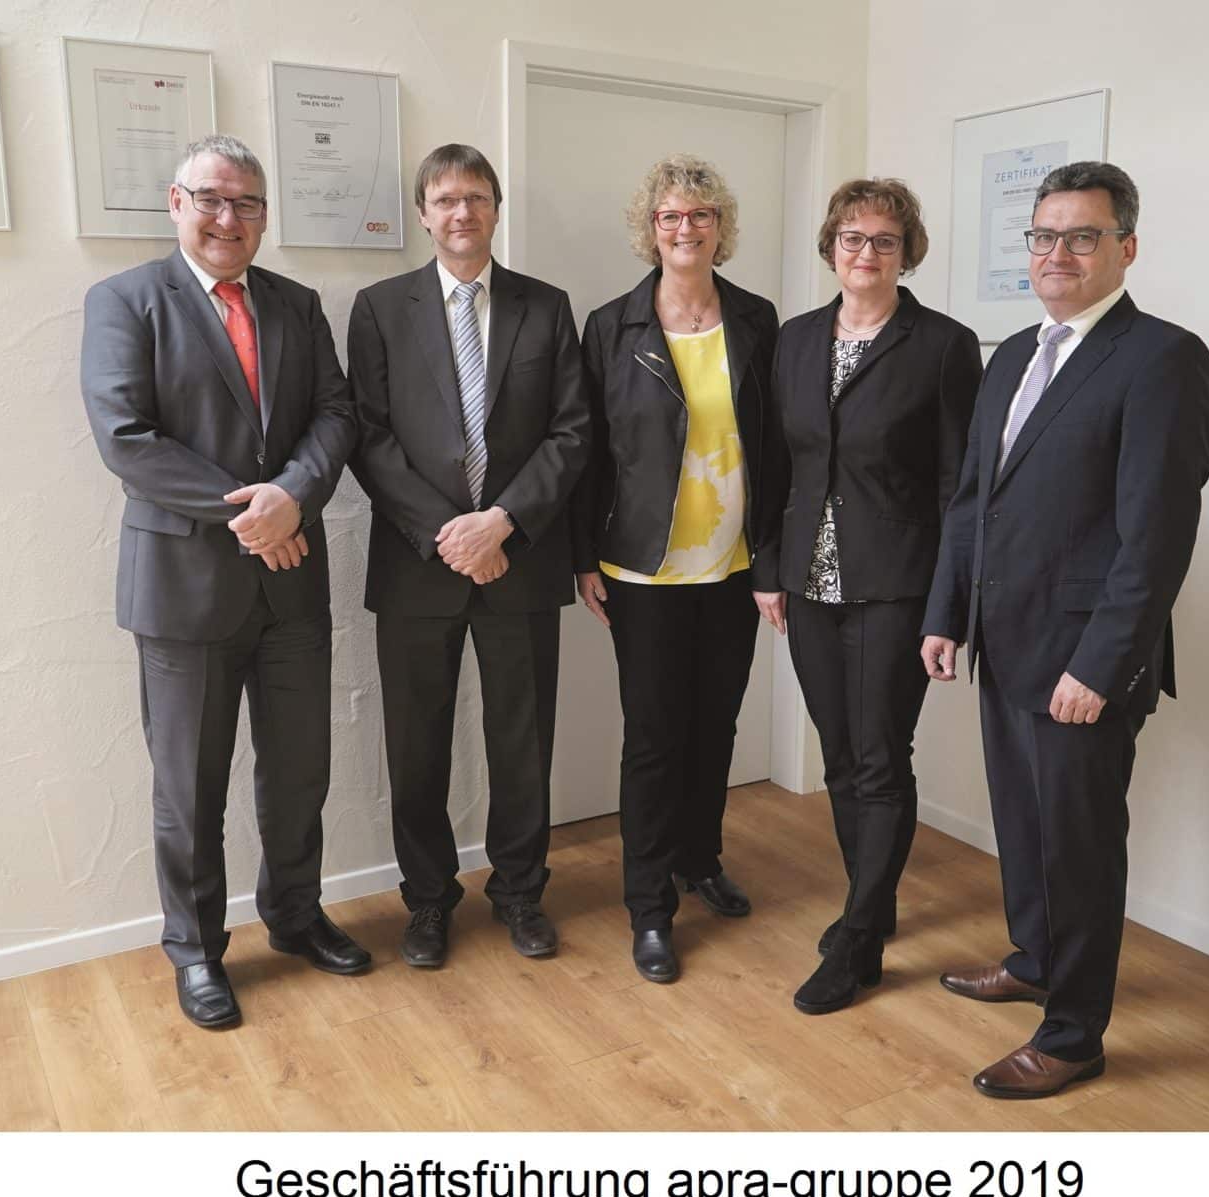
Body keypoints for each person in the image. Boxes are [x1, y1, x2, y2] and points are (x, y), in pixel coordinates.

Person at [923, 161, 1209, 1099]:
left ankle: (1074, 1033)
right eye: (1044, 236)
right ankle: (1036, 960)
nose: (1058, 254)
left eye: (1082, 237)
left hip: (1084, 657)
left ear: (1125, 247)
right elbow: (973, 498)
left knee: (1079, 848)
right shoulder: (1012, 352)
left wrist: (1101, 663)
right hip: (1003, 638)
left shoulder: (1161, 357)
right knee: (1023, 824)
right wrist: (947, 613)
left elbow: (1155, 537)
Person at [81, 134, 367, 1030]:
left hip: (292, 587)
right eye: (211, 198)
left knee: (299, 772)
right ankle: (197, 950)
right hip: (185, 590)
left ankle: (295, 915)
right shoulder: (126, 301)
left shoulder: (296, 304)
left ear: (264, 216)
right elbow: (126, 438)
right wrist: (256, 515)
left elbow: (335, 413)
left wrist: (293, 495)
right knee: (189, 787)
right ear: (177, 203)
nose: (227, 218)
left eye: (246, 203)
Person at [346, 144, 590, 969]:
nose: (462, 212)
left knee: (522, 742)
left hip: (519, 560)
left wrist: (502, 524)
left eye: (476, 197)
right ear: (422, 212)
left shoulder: (545, 307)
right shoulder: (380, 309)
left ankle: (520, 892)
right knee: (416, 745)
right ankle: (427, 900)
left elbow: (571, 431)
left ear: (494, 209)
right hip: (418, 565)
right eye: (446, 199)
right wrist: (451, 534)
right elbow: (369, 438)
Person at [759, 178, 981, 1014]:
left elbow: (960, 486)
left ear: (906, 253)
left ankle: (858, 942)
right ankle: (871, 903)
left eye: (884, 240)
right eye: (852, 238)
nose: (866, 253)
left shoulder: (942, 345)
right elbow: (776, 464)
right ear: (831, 247)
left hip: (898, 584)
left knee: (881, 755)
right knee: (840, 755)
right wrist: (768, 570)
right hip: (809, 582)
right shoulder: (795, 339)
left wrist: (948, 607)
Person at [572, 155, 781, 984]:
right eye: (670, 216)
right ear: (649, 229)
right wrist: (582, 556)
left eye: (700, 215)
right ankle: (648, 906)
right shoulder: (612, 326)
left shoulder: (758, 319)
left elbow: (777, 446)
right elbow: (589, 452)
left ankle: (700, 860)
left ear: (720, 228)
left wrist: (773, 554)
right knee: (655, 738)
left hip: (733, 565)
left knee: (715, 725)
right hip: (643, 571)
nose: (685, 229)